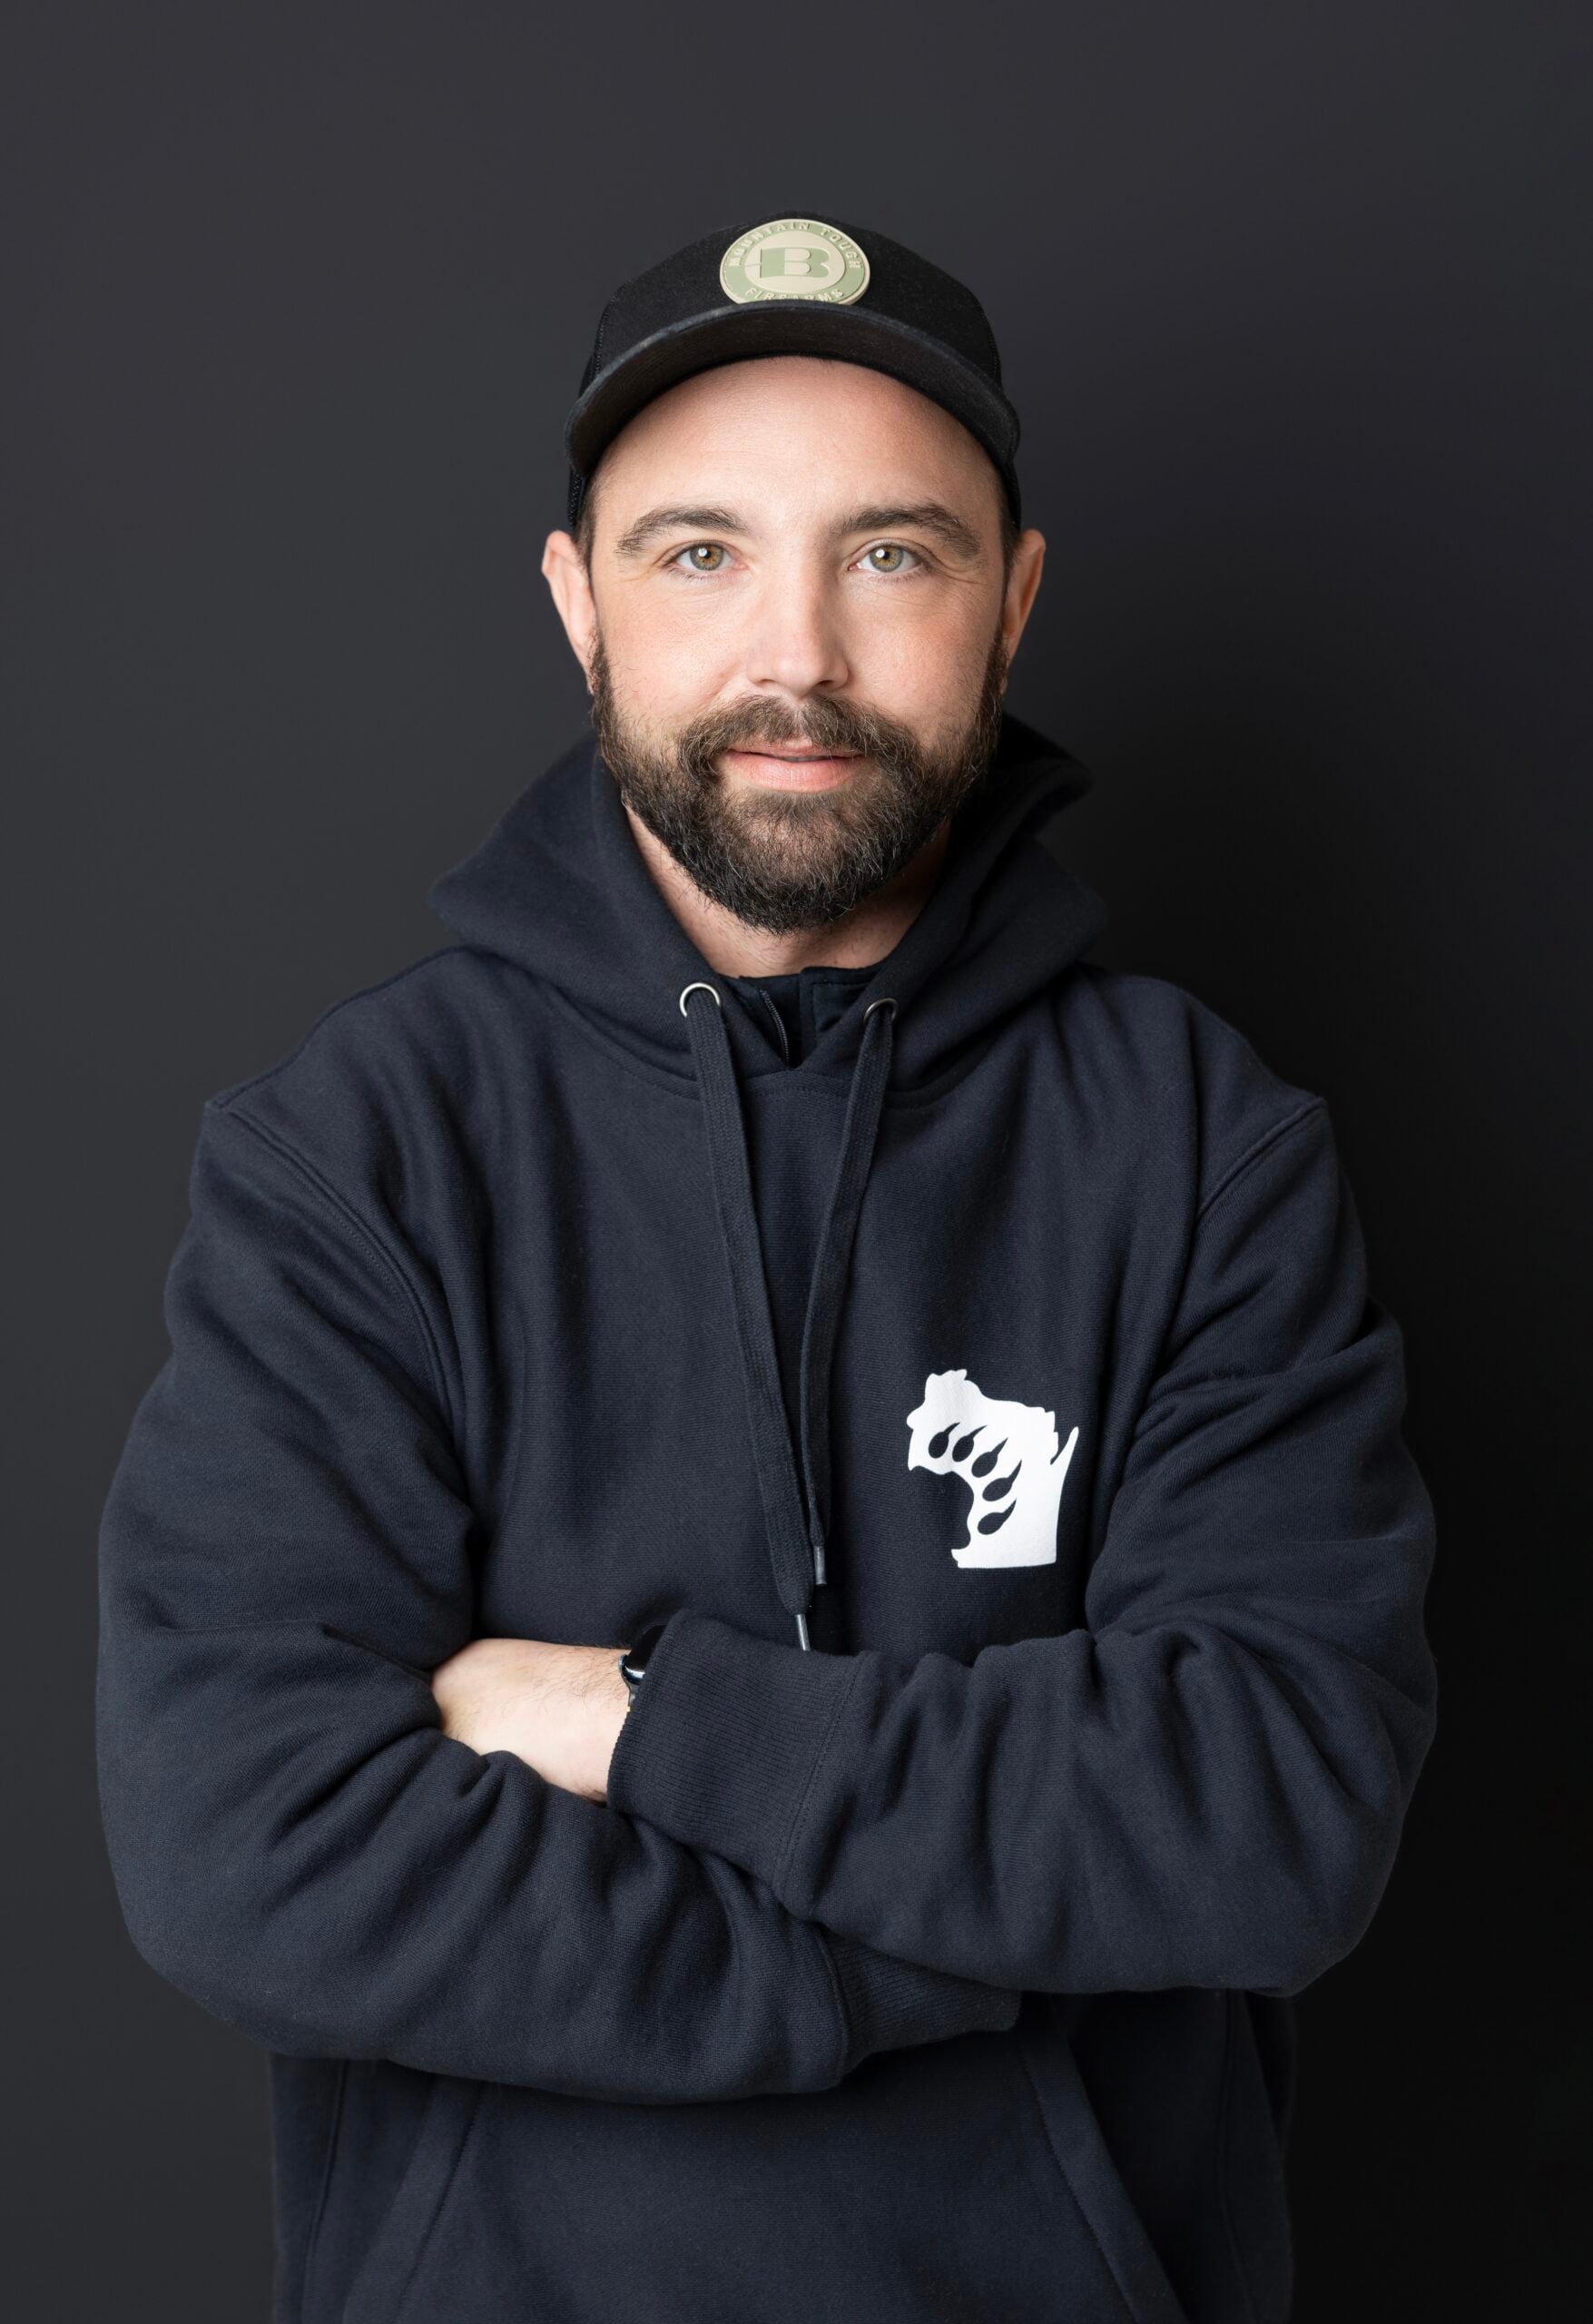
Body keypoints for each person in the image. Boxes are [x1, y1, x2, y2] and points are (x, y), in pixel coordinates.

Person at [95, 213, 1439, 2324]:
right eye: (697, 552)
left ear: (1010, 600)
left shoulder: (1201, 1144)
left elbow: (1270, 1814)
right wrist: (948, 1946)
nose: (793, 652)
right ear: (577, 605)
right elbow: (247, 1851)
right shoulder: (354, 1148)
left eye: (889, 552)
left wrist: (638, 1720)